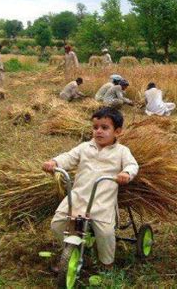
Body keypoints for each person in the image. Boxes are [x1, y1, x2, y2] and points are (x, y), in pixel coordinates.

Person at [43, 107, 139, 270]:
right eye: (95, 128)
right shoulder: (85, 147)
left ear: (117, 132)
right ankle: (72, 250)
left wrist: (126, 173)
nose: (99, 131)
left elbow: (132, 165)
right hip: (78, 196)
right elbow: (68, 157)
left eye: (104, 128)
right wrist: (55, 162)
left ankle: (106, 263)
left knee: (105, 233)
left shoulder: (122, 151)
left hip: (102, 201)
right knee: (57, 224)